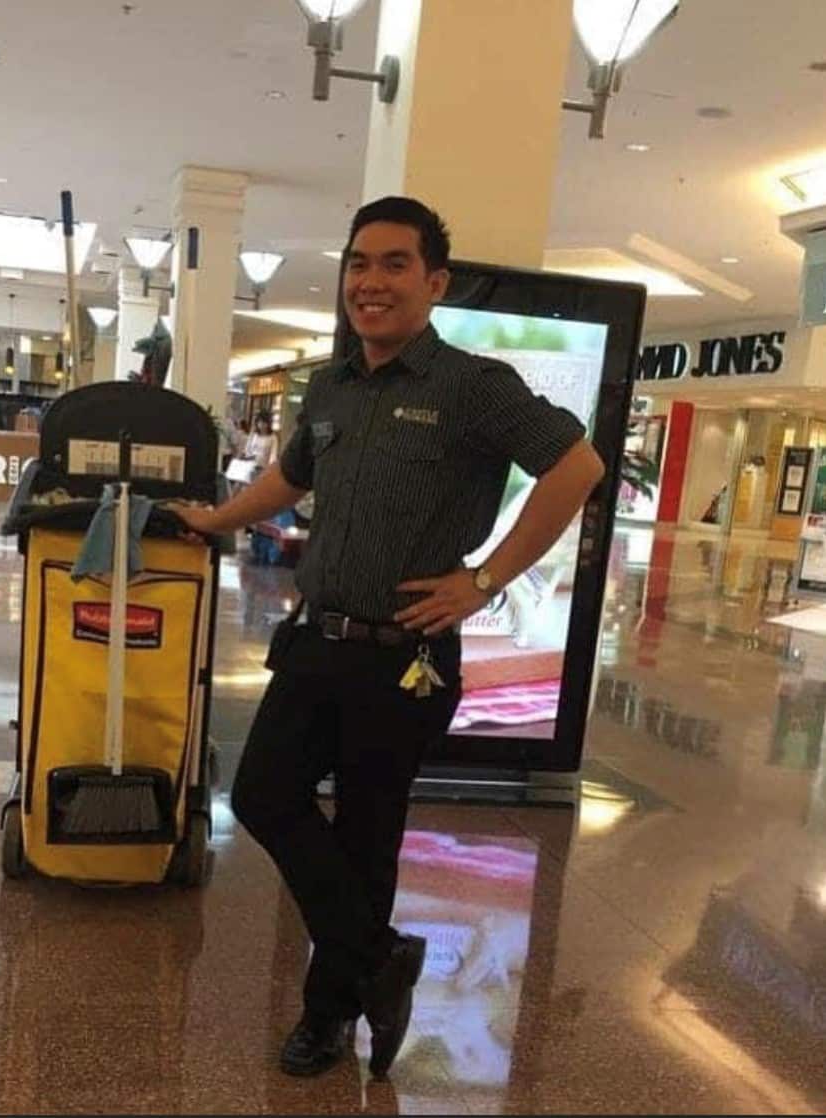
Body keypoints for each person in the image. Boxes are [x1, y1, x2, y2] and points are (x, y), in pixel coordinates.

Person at [175, 196, 605, 1080]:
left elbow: (578, 466)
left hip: (404, 658)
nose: (370, 282)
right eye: (358, 263)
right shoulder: (332, 385)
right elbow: (290, 477)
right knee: (262, 794)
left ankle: (327, 1016)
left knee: (368, 837)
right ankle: (380, 957)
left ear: (433, 282)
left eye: (394, 264)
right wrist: (214, 518)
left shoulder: (472, 386)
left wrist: (483, 579)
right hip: (315, 641)